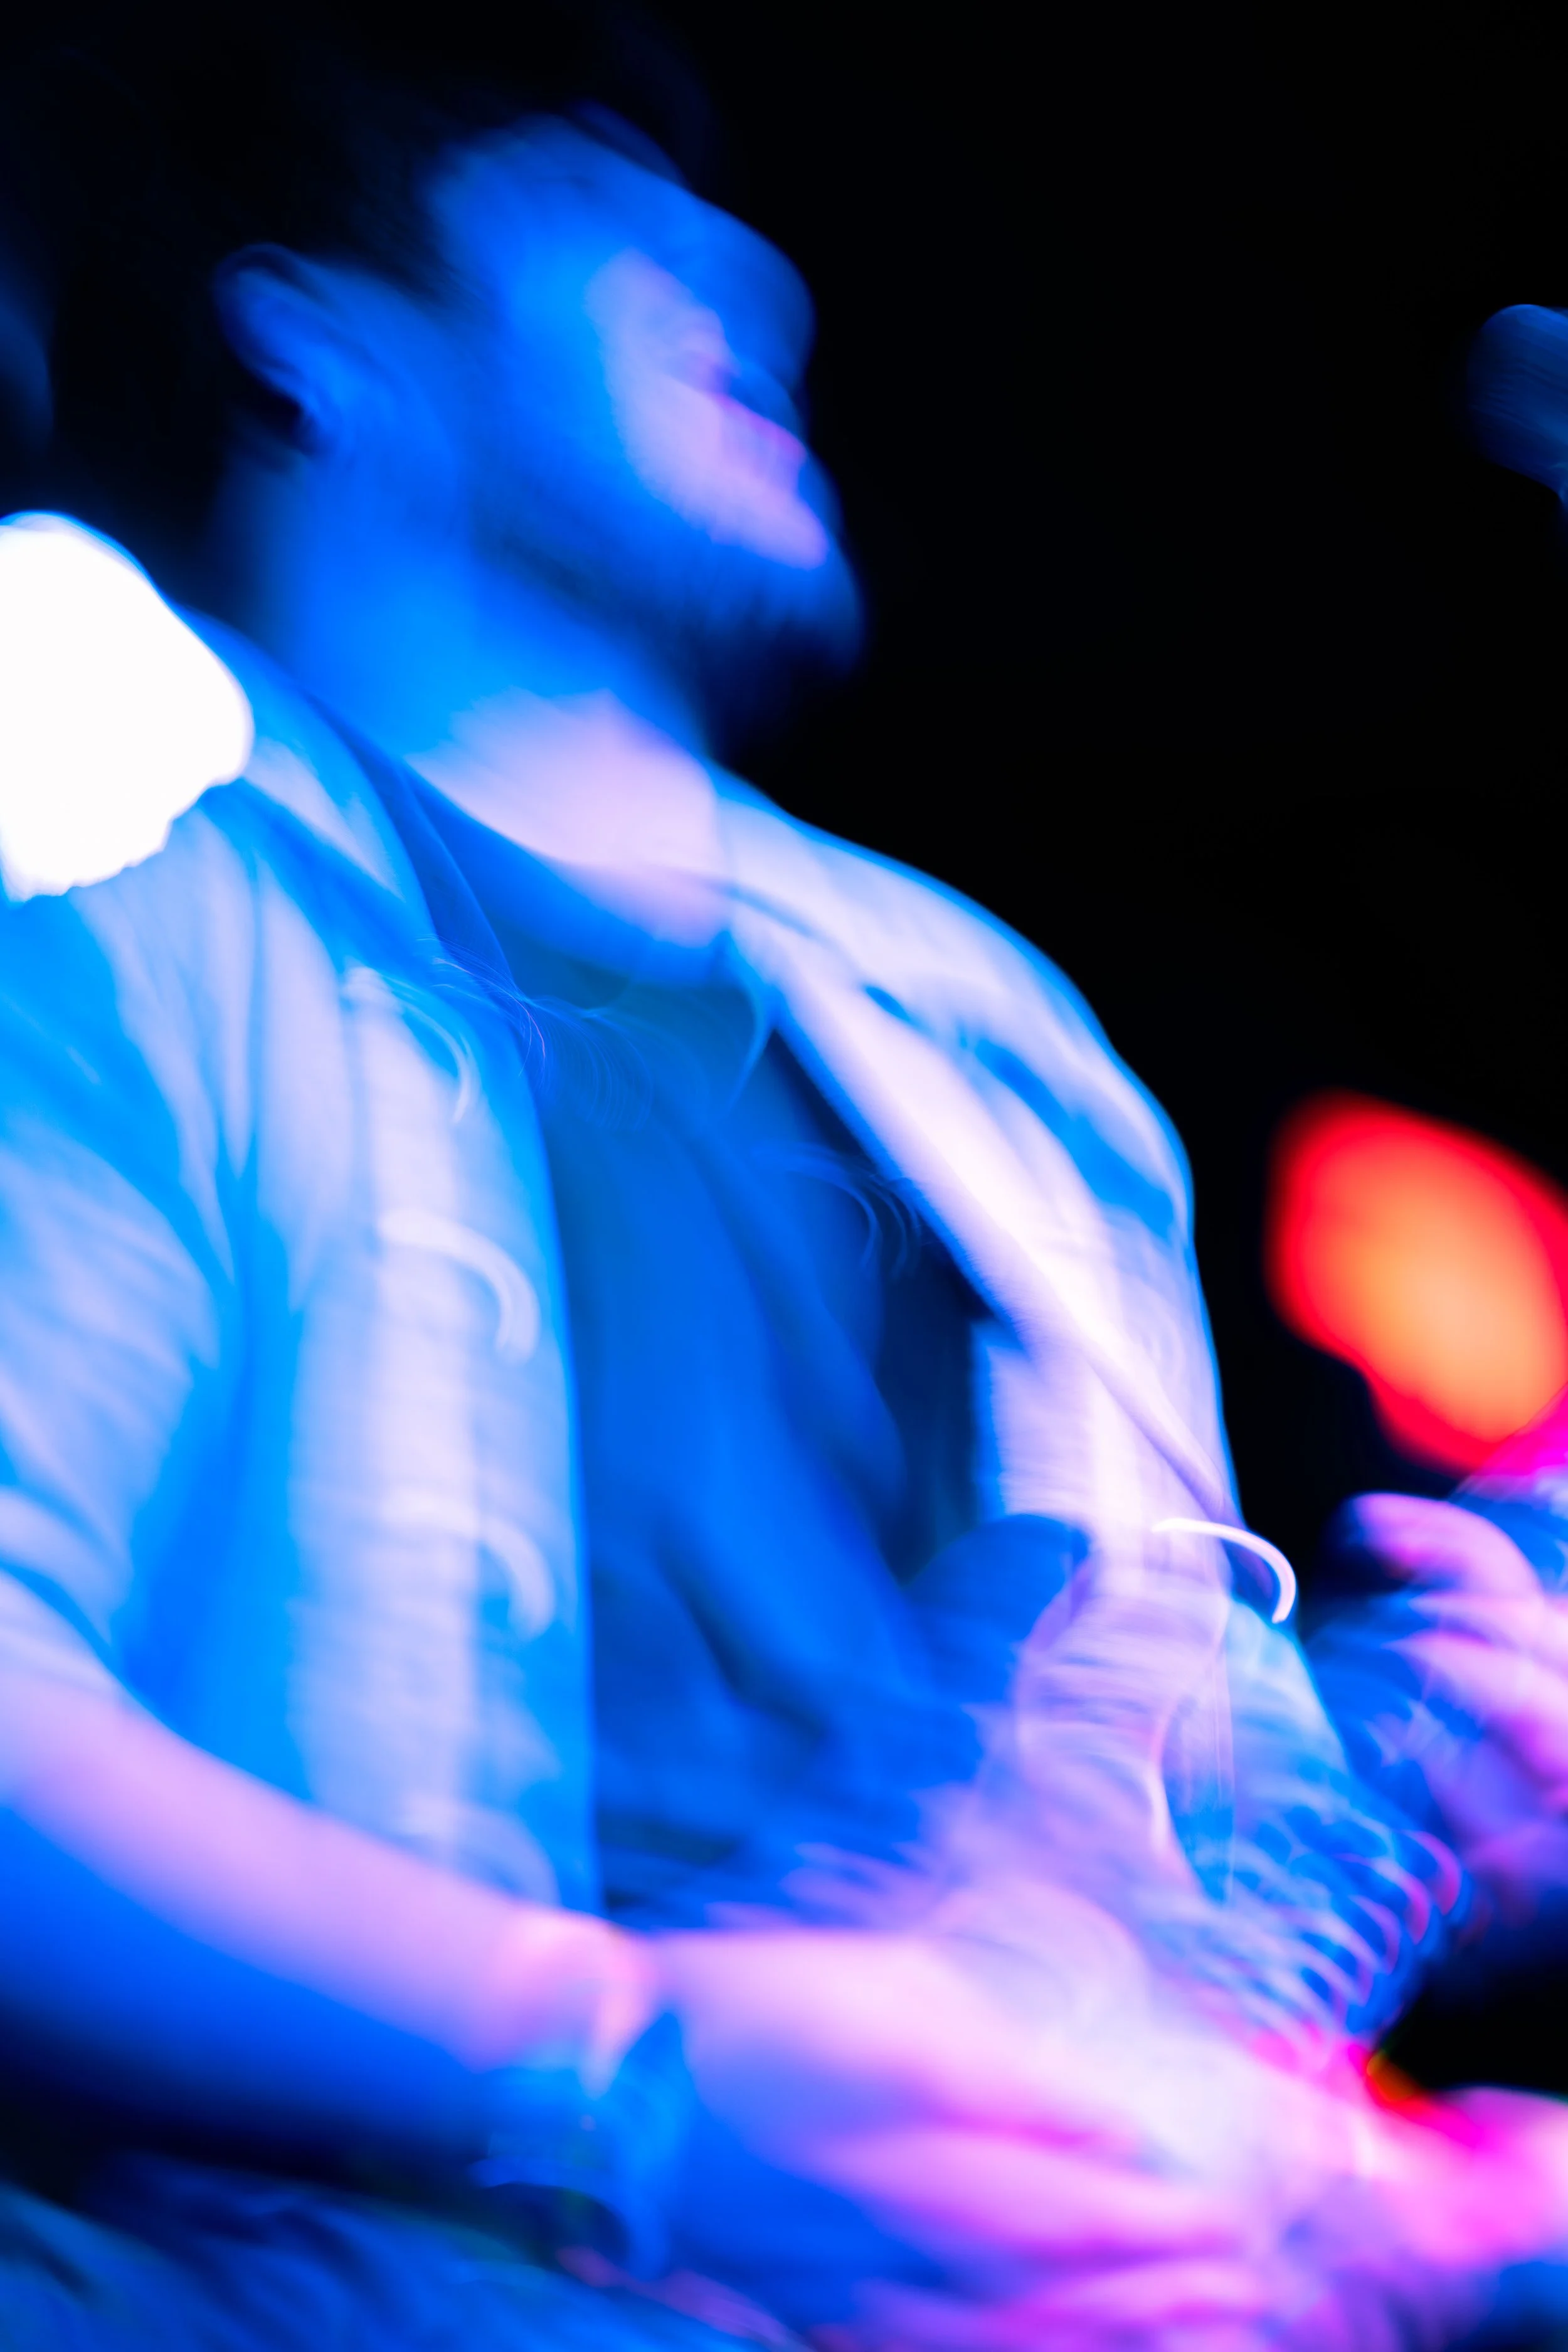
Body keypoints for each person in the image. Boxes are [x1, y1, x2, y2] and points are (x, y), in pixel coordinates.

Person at [4, 9, 1568, 2345]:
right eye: (600, 207)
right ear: (314, 337)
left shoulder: (997, 1047)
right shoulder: (114, 915)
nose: (750, 276)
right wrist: (608, 2067)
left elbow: (1124, 1916)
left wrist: (1443, 1863)